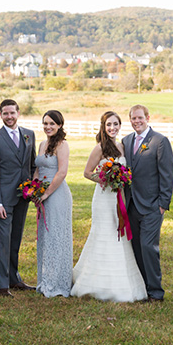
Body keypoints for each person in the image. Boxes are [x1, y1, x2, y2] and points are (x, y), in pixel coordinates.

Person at [71, 111, 147, 302]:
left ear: (120, 126)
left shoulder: (122, 146)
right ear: (103, 127)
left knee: (119, 235)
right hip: (104, 198)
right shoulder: (100, 148)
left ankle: (122, 282)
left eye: (115, 124)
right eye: (109, 125)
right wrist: (105, 179)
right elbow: (87, 173)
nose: (112, 128)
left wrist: (121, 179)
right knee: (104, 233)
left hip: (119, 198)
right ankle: (94, 282)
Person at [122, 104, 173, 302]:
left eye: (140, 118)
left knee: (148, 247)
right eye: (133, 118)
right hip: (131, 204)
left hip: (152, 204)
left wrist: (163, 203)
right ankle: (141, 288)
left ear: (147, 118)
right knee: (135, 247)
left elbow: (167, 174)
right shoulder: (126, 141)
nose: (137, 121)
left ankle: (156, 292)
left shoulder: (159, 141)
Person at [0, 99, 36, 297]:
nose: (9, 117)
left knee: (16, 239)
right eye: (5, 113)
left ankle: (15, 278)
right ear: (0, 115)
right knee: (3, 241)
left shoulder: (29, 135)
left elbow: (31, 165)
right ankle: (3, 286)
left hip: (23, 197)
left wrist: (32, 188)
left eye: (12, 113)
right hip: (4, 200)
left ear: (18, 113)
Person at [33, 110, 74, 297]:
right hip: (42, 194)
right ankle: (45, 279)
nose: (48, 127)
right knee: (45, 237)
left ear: (59, 125)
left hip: (57, 195)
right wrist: (34, 189)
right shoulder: (42, 144)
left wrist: (46, 193)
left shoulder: (62, 145)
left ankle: (58, 282)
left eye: (52, 124)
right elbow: (38, 169)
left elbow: (62, 172)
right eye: (45, 123)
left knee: (56, 237)